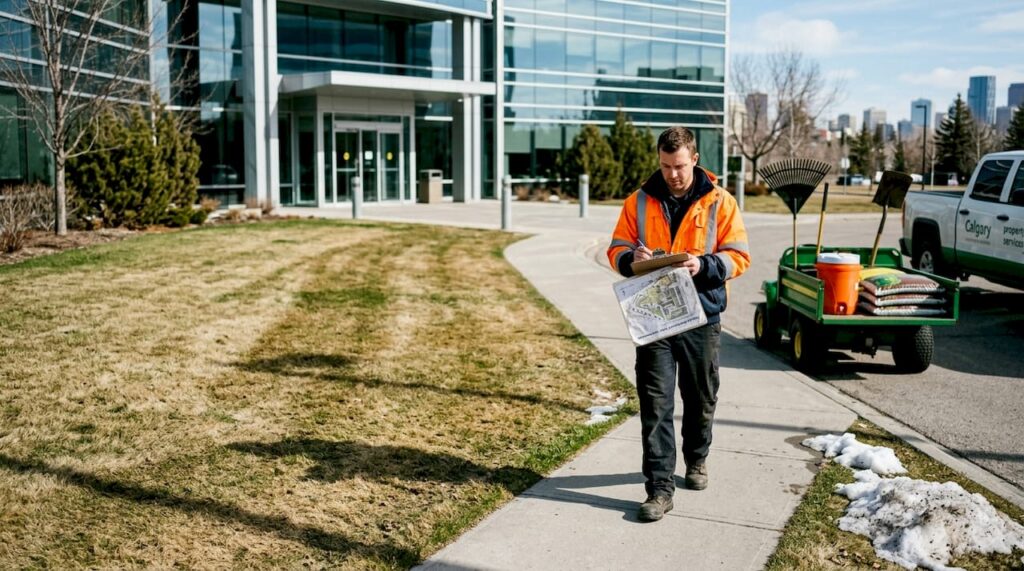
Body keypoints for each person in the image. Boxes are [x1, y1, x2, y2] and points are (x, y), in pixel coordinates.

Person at [607, 126, 750, 522]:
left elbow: (739, 256)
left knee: (700, 397)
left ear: (695, 160)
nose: (673, 174)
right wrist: (631, 259)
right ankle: (659, 489)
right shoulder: (637, 202)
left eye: (680, 166)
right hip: (653, 318)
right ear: (659, 161)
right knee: (655, 404)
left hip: (701, 316)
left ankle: (697, 458)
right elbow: (616, 247)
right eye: (666, 166)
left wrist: (702, 264)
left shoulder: (721, 203)